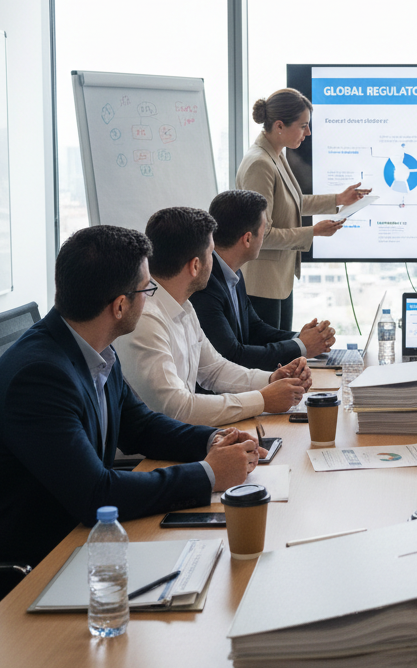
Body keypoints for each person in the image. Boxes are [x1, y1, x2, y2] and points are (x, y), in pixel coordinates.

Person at [0, 225, 263, 577]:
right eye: (146, 289)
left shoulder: (95, 348)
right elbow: (95, 494)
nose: (149, 296)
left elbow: (142, 426)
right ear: (120, 306)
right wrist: (209, 474)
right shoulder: (38, 378)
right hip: (9, 577)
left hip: (70, 545)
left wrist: (212, 440)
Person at [114, 207, 311, 428]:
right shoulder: (146, 319)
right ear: (195, 265)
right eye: (211, 253)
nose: (214, 262)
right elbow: (177, 408)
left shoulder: (184, 306)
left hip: (180, 443)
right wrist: (262, 400)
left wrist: (271, 380)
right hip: (148, 458)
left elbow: (215, 370)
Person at [236, 88, 370, 332]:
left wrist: (339, 199)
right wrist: (313, 232)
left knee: (281, 356)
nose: (308, 132)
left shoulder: (275, 154)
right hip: (262, 286)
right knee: (270, 360)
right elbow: (261, 235)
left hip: (278, 281)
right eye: (303, 126)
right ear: (279, 125)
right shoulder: (260, 164)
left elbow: (292, 201)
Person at [190, 190, 336, 371]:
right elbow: (233, 356)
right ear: (248, 238)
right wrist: (301, 346)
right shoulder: (205, 284)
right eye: (264, 229)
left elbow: (255, 329)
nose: (266, 235)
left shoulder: (232, 272)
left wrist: (302, 337)